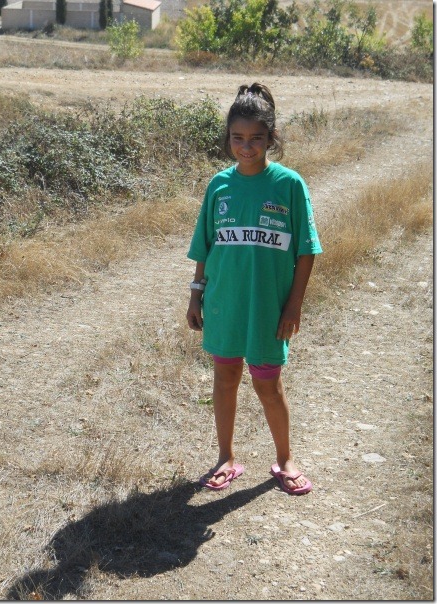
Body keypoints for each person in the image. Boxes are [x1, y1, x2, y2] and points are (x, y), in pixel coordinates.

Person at [186, 83, 322, 495]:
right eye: (238, 138)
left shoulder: (289, 184)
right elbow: (204, 247)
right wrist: (195, 294)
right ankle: (225, 458)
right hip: (224, 303)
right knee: (225, 378)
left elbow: (306, 250)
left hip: (267, 307)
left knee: (268, 384)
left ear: (271, 138)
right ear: (228, 138)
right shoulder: (219, 185)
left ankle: (285, 460)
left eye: (256, 138)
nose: (246, 147)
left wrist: (293, 306)